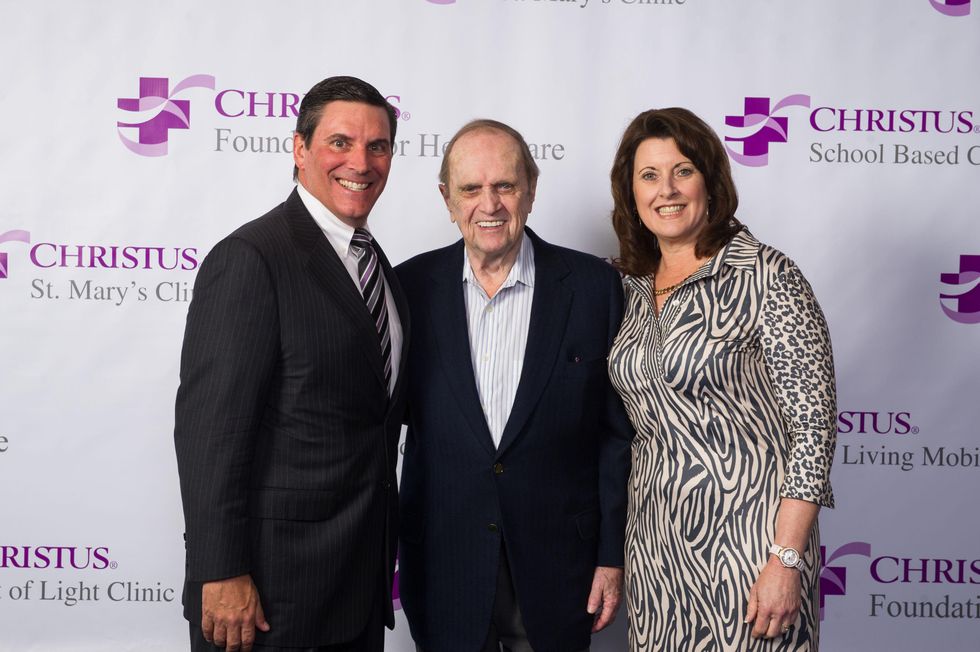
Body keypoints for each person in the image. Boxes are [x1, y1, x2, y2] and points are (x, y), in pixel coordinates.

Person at [174, 75, 408, 652]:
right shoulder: (251, 258)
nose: (361, 160)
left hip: (356, 591)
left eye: (377, 146)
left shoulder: (376, 264)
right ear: (300, 149)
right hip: (267, 600)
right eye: (340, 142)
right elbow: (210, 434)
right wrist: (220, 571)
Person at [395, 119, 634, 652]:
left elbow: (616, 436)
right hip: (443, 562)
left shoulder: (595, 289)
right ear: (446, 199)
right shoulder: (408, 289)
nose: (490, 204)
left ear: (531, 189)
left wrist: (610, 555)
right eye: (471, 189)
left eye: (505, 185)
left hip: (560, 568)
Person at [606, 108, 836, 651]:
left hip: (752, 553)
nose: (666, 190)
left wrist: (786, 559)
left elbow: (814, 425)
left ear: (710, 178)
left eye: (682, 170)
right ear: (630, 193)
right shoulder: (625, 289)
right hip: (656, 558)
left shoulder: (766, 274)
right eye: (648, 175)